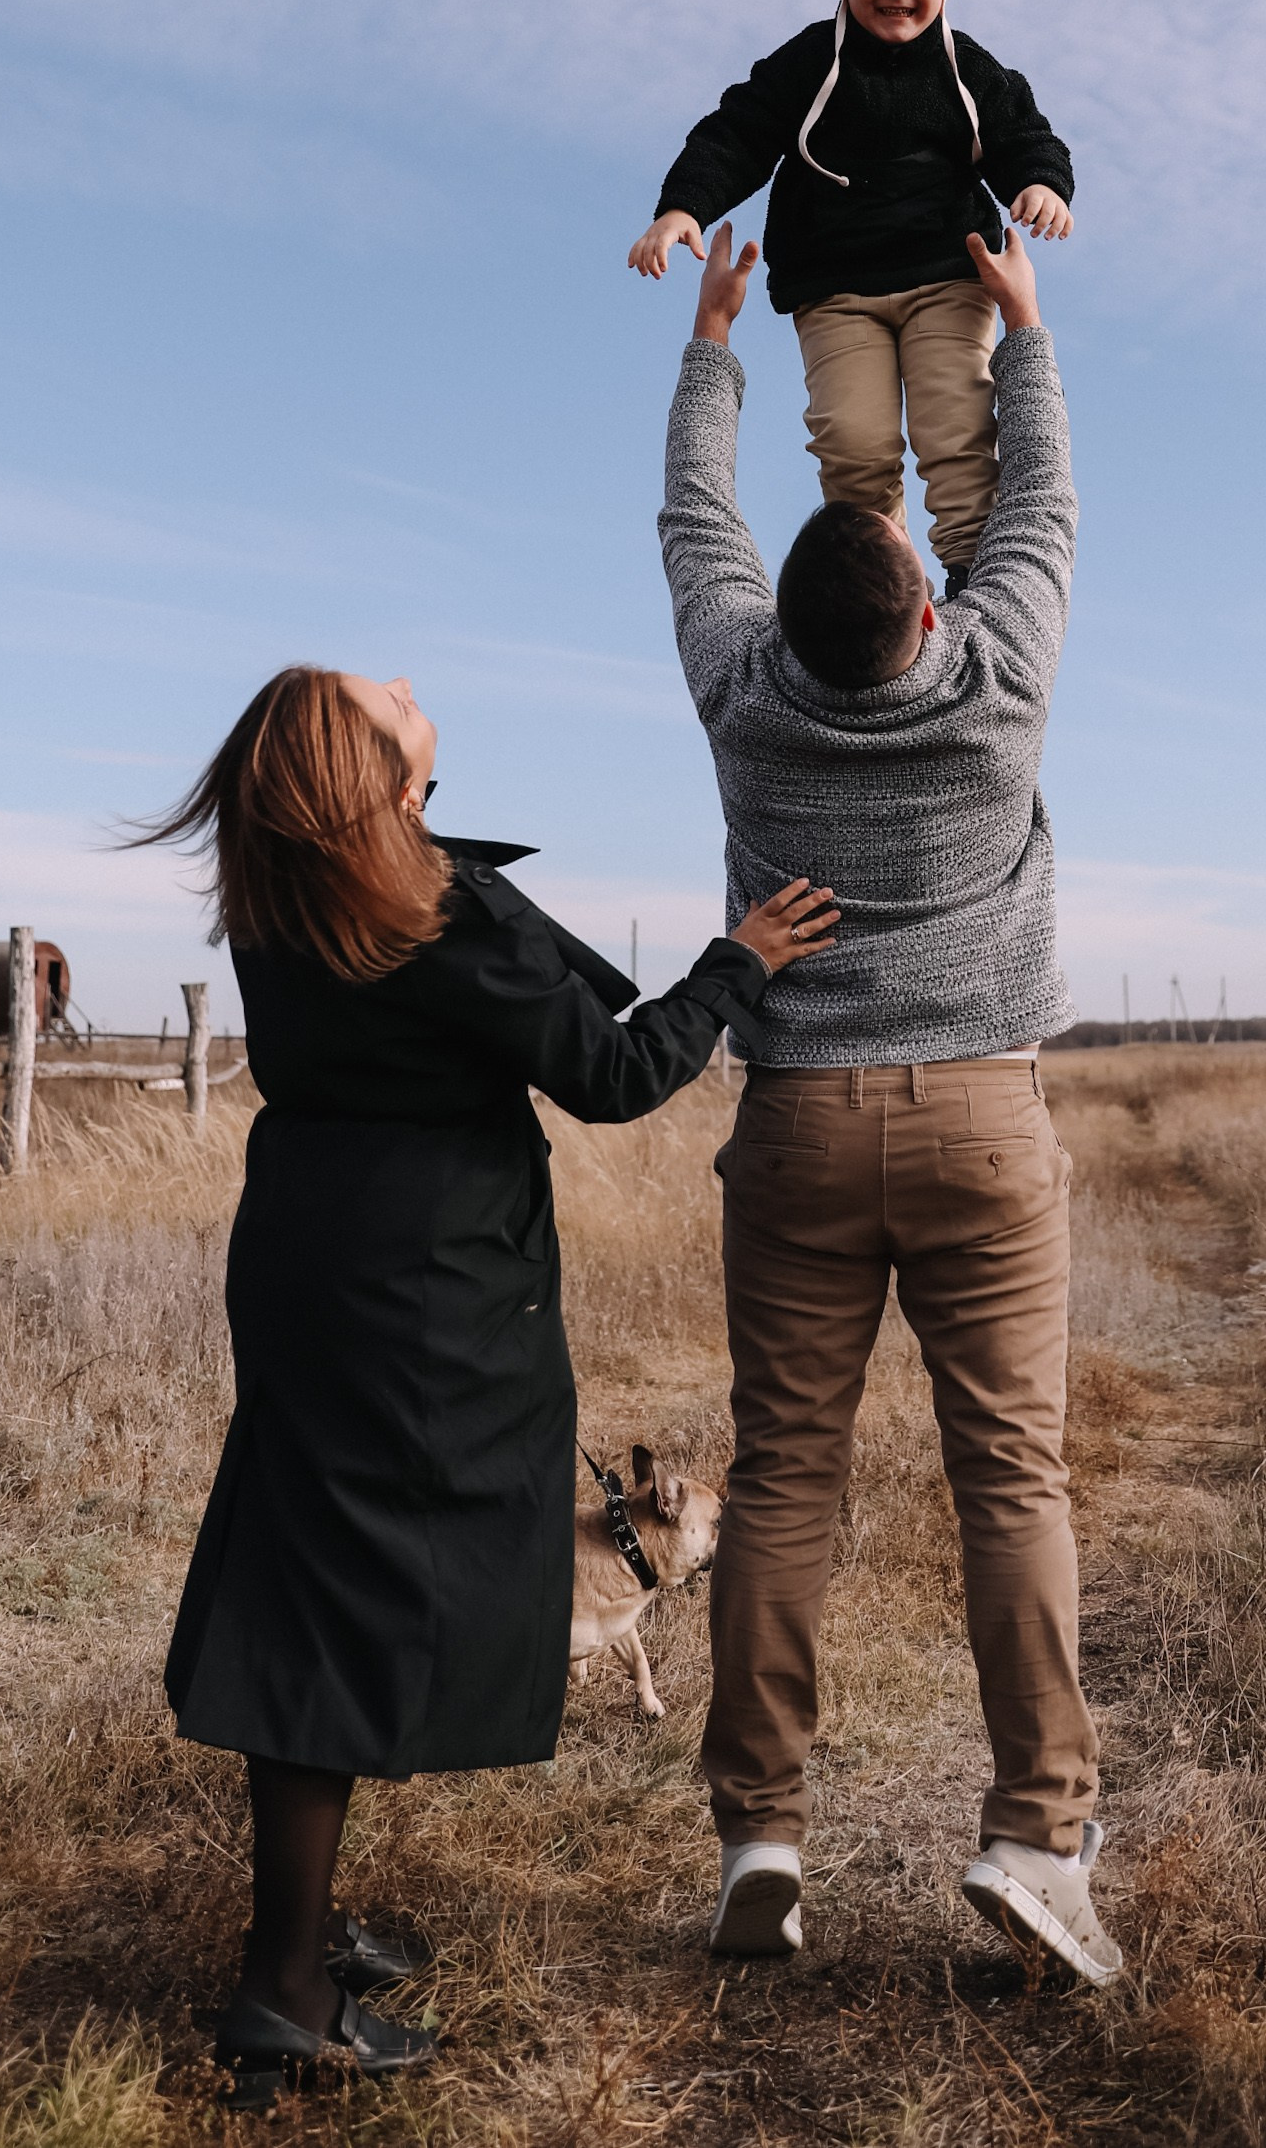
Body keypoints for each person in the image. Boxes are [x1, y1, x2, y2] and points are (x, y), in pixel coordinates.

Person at [134, 666, 836, 2093]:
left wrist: (418, 824)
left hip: (314, 1267)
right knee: (350, 1605)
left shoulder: (298, 897)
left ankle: (298, 1938)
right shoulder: (426, 914)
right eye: (376, 697)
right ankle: (282, 1989)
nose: (399, 680)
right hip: (424, 1296)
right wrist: (741, 960)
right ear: (379, 778)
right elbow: (618, 1066)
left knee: (310, 1581)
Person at [656, 219, 1120, 1987]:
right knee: (1011, 1474)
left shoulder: (743, 698)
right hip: (983, 1124)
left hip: (794, 1125)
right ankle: (1032, 1839)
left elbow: (695, 522)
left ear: (785, 620)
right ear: (927, 609)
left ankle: (762, 1831)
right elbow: (1041, 513)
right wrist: (1023, 334)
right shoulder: (996, 689)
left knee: (784, 1474)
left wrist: (714, 341)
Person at [629, 0, 1075, 596]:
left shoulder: (966, 67)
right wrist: (683, 208)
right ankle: (884, 580)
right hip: (835, 288)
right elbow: (736, 132)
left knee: (956, 428)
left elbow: (1022, 132)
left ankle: (969, 573)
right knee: (853, 441)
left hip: (948, 275)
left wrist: (1039, 185)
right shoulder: (811, 61)